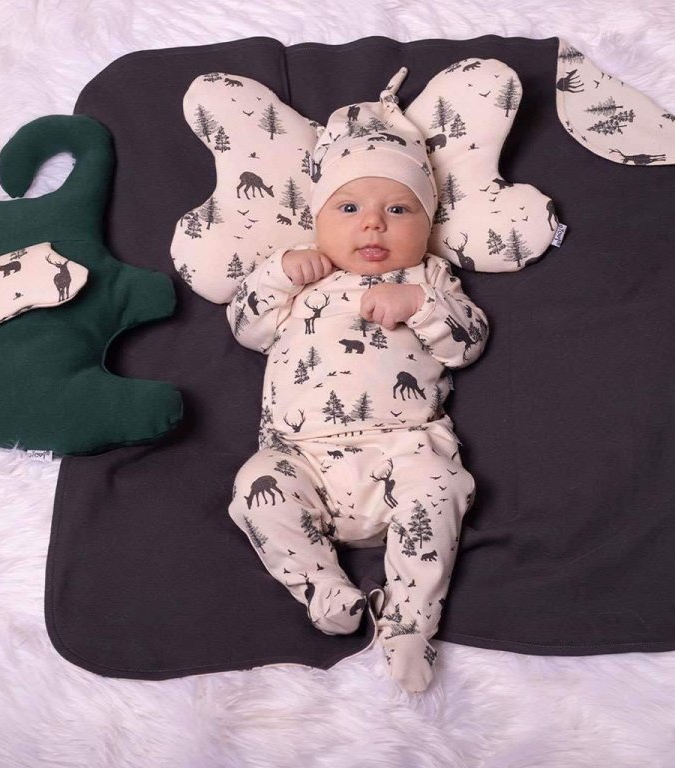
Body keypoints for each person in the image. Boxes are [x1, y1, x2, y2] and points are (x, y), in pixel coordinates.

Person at [226, 78, 488, 692]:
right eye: (348, 209)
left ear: (427, 223)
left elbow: (468, 340)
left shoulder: (429, 278)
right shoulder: (300, 274)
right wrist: (277, 275)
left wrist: (420, 305)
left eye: (398, 210)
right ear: (316, 221)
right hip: (302, 456)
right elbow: (245, 326)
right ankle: (321, 586)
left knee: (444, 487)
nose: (373, 223)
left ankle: (410, 624)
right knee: (255, 489)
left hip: (404, 449)